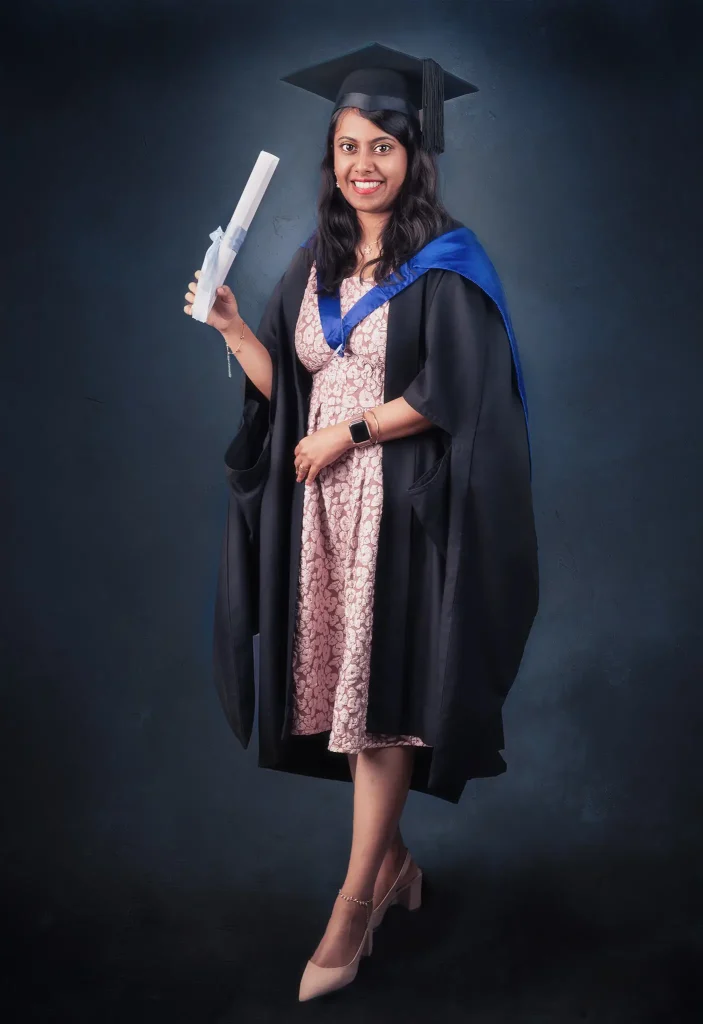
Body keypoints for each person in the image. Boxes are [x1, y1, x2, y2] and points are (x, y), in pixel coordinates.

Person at [183, 43, 539, 1002]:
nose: (363, 165)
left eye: (382, 146)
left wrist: (349, 432)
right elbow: (290, 397)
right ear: (331, 157)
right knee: (350, 704)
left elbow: (456, 387)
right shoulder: (315, 260)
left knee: (381, 709)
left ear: (414, 159)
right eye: (348, 147)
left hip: (401, 519)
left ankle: (351, 908)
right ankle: (394, 868)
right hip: (324, 521)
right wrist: (231, 329)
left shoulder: (446, 263)